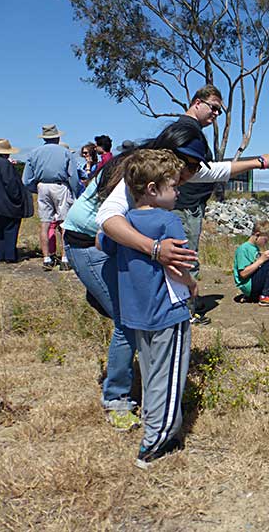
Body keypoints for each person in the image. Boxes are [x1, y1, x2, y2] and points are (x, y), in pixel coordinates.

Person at [90, 123, 269, 431]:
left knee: (140, 319)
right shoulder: (142, 177)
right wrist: (156, 250)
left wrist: (261, 162)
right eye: (189, 164)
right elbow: (105, 222)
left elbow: (219, 170)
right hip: (85, 242)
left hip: (117, 245)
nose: (191, 173)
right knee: (127, 320)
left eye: (195, 166)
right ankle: (119, 400)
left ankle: (151, 396)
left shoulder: (170, 173)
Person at [99, 149, 196, 469]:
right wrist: (192, 284)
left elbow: (102, 241)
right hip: (168, 310)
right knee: (168, 379)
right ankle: (156, 441)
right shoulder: (169, 220)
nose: (178, 190)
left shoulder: (124, 222)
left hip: (137, 312)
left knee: (154, 372)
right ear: (153, 189)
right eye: (173, 185)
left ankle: (163, 427)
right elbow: (181, 264)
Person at [22, 124, 78, 270]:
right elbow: (73, 176)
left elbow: (26, 179)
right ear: (58, 136)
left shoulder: (34, 153)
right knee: (64, 223)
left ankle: (47, 258)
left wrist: (36, 188)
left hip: (42, 186)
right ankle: (65, 258)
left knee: (45, 223)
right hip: (60, 186)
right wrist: (74, 191)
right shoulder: (65, 152)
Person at [0, 139, 32, 263]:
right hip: (8, 202)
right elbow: (10, 183)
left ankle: (1, 254)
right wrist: (18, 198)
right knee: (11, 229)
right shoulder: (4, 164)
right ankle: (10, 256)